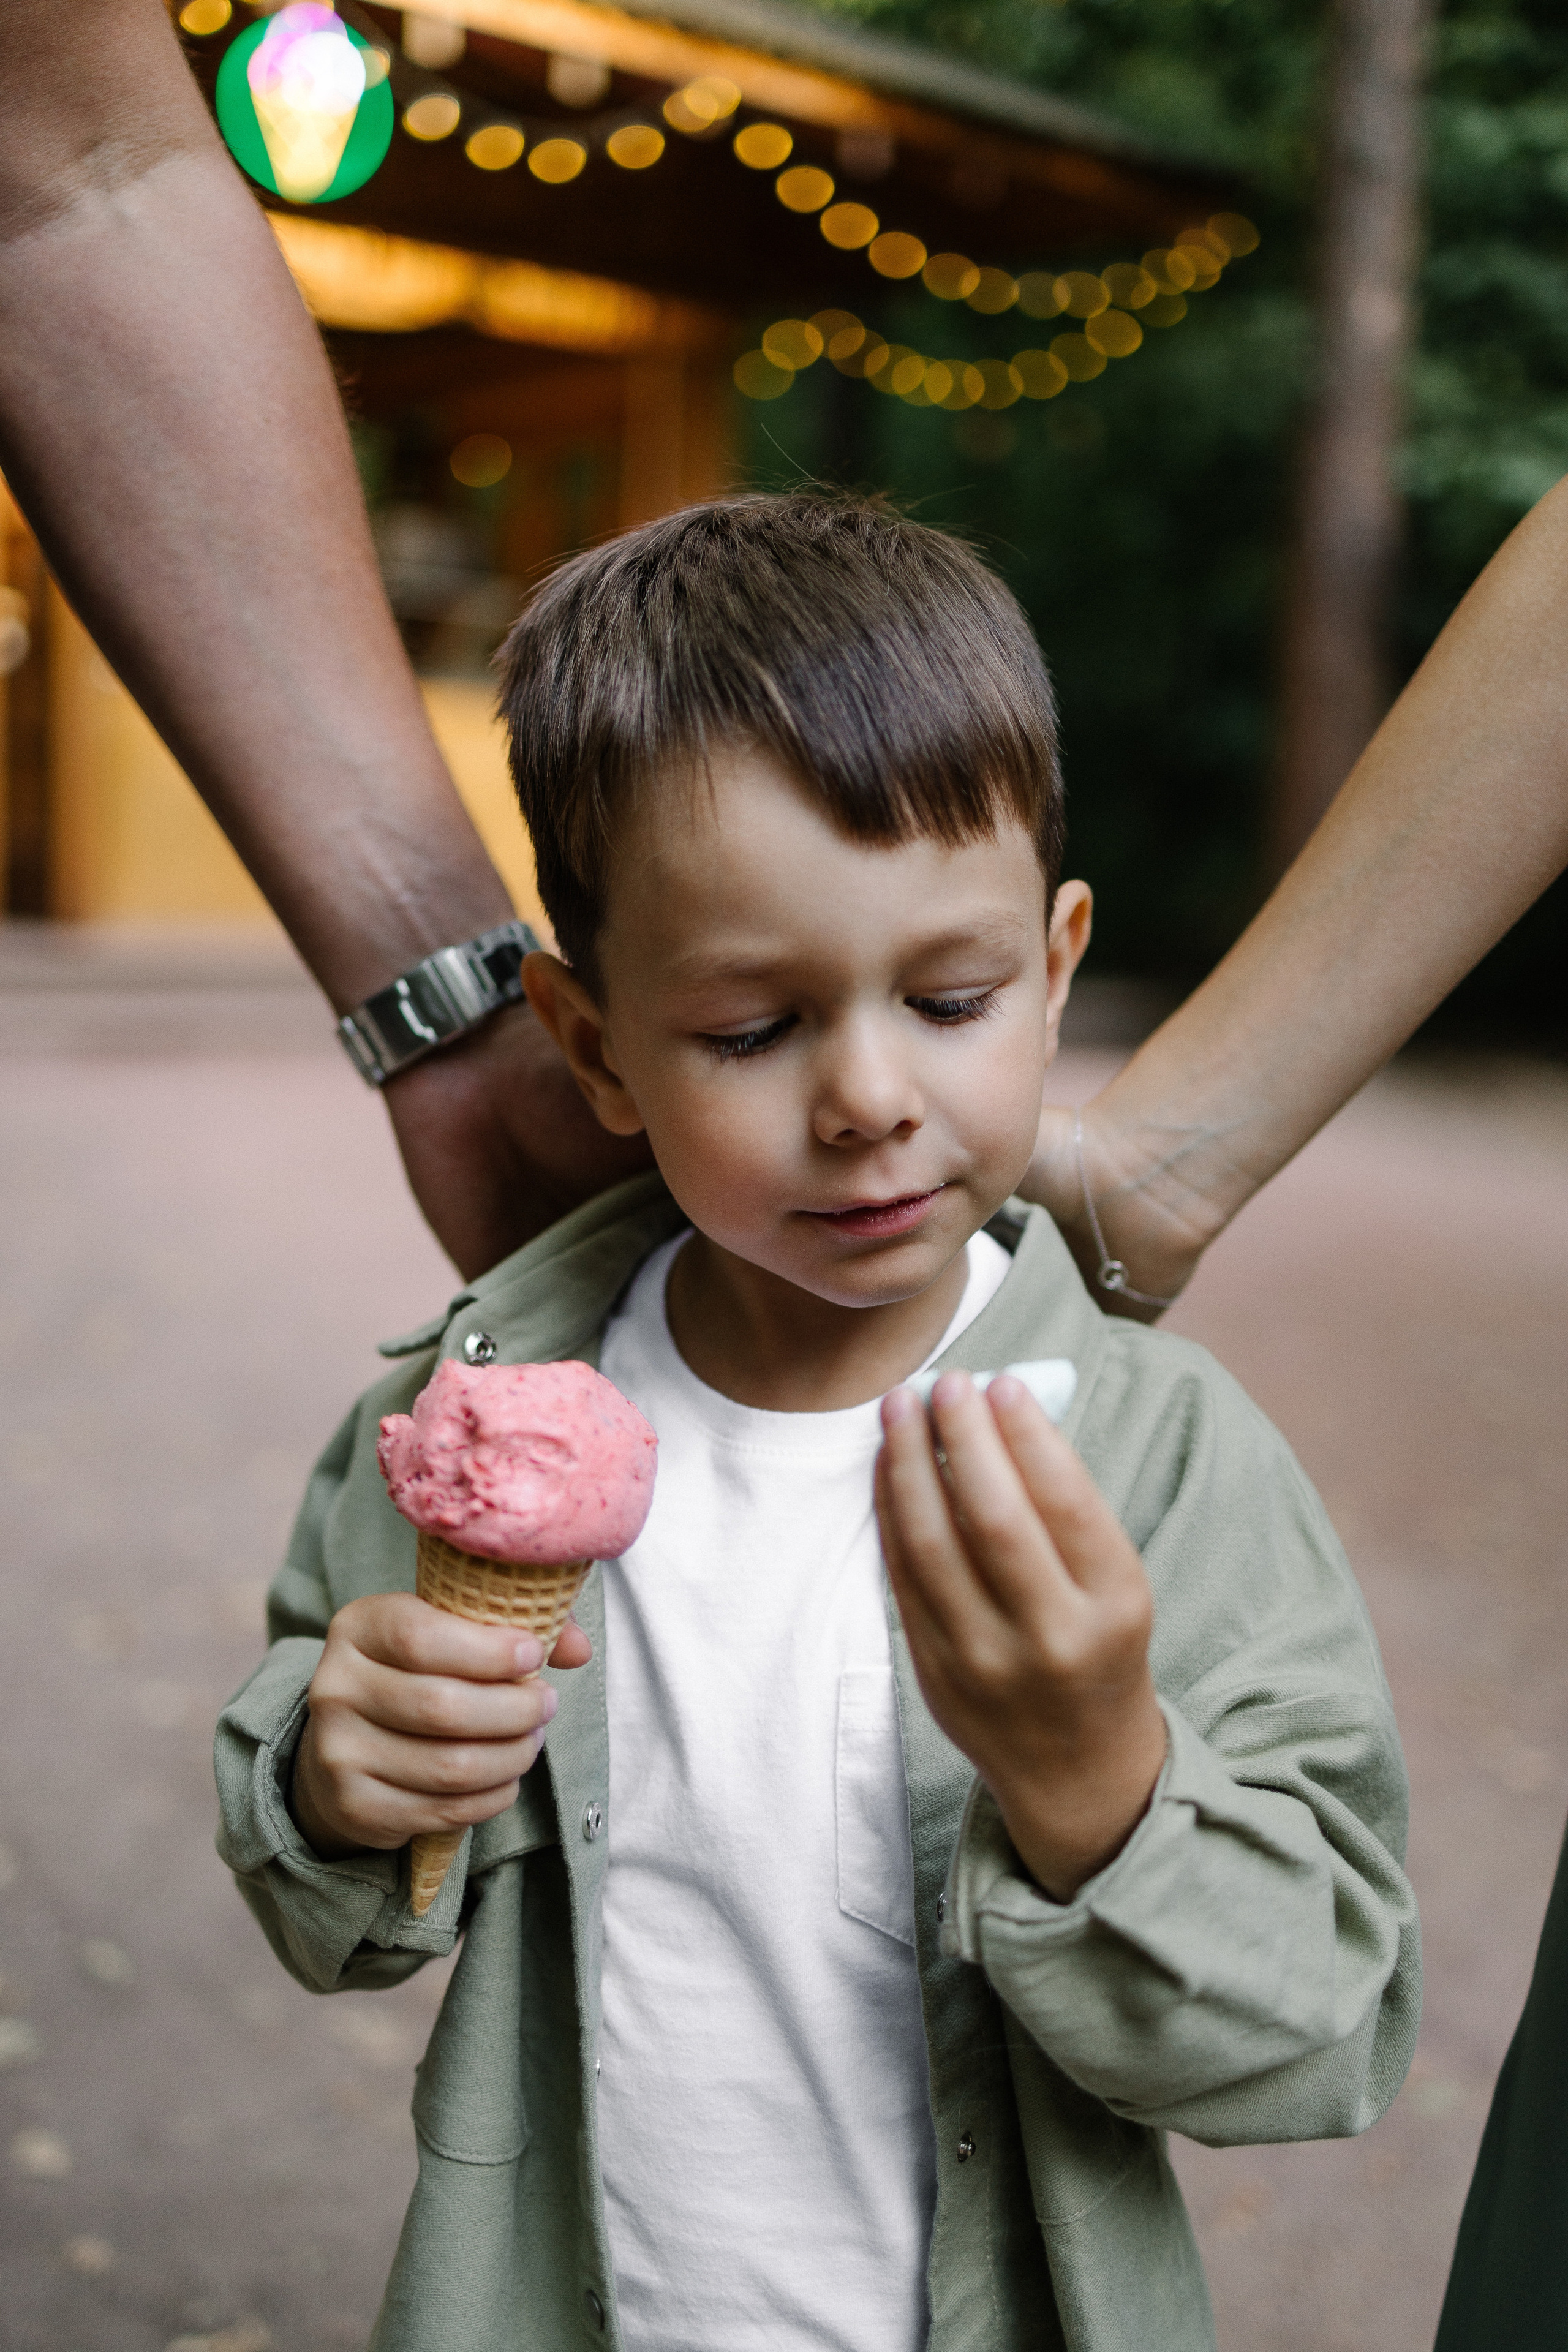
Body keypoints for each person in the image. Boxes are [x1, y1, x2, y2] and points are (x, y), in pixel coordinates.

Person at [214, 496, 1417, 2352]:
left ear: (1060, 958)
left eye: (952, 998)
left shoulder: (1167, 1458)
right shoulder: (472, 1410)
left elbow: (1316, 2037)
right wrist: (330, 1777)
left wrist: (1103, 1781)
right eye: (753, 1029)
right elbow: (335, 1910)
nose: (868, 1098)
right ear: (594, 1043)